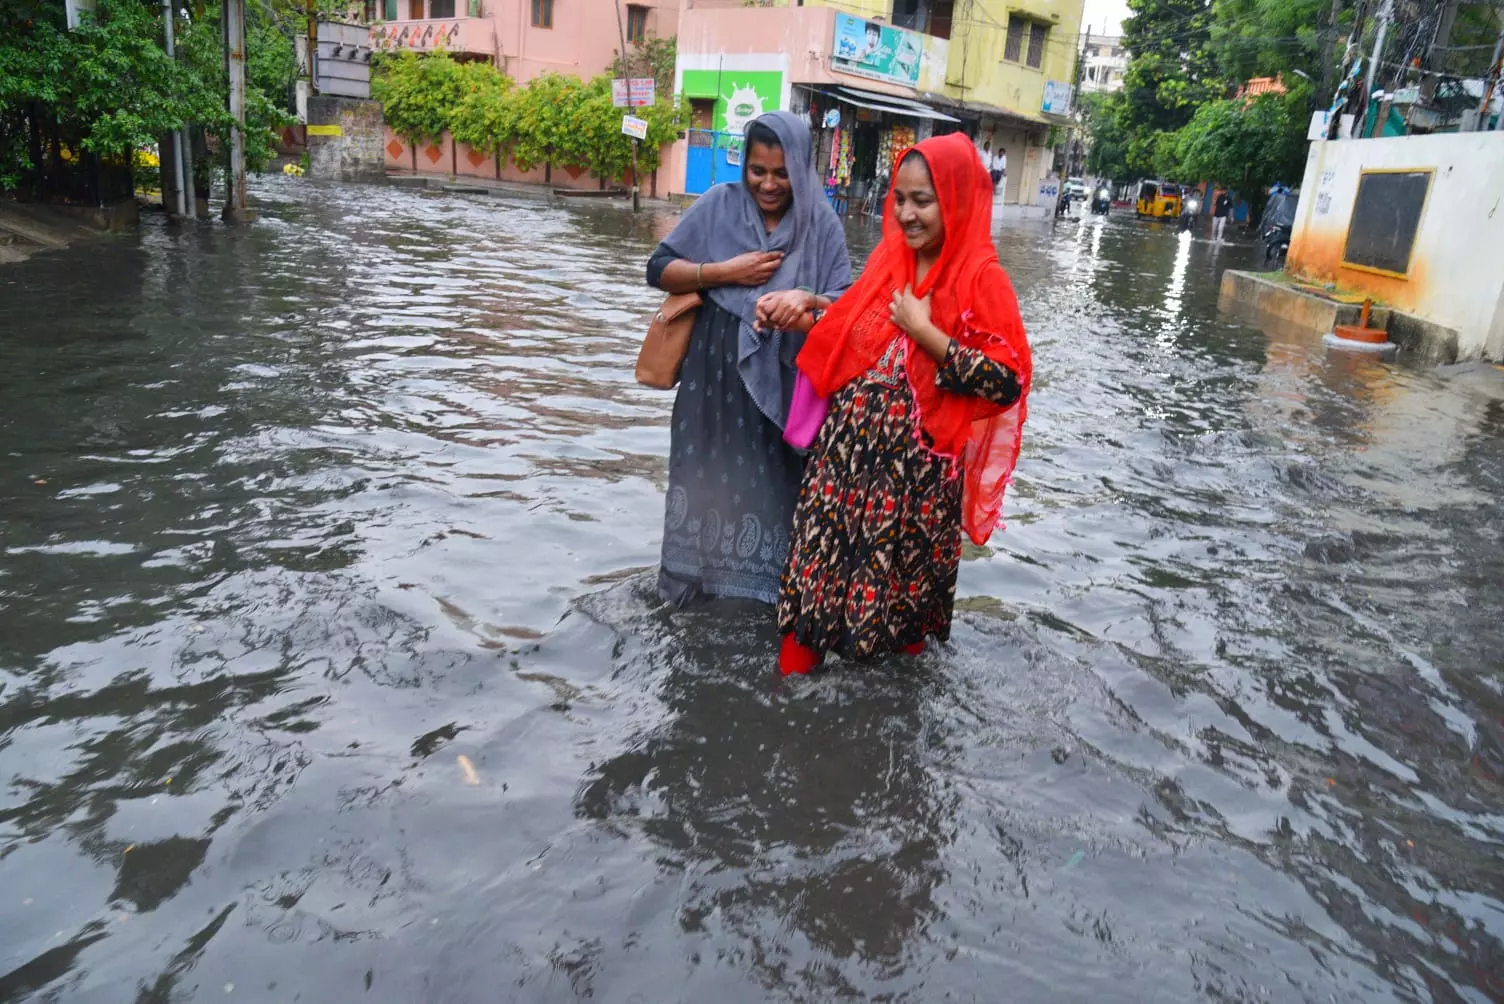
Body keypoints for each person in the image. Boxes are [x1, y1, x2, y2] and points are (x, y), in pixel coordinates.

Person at [776, 133, 1032, 674]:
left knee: (898, 633)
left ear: (956, 199)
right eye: (901, 199)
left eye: (924, 200)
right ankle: (785, 703)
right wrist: (808, 308)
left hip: (912, 488)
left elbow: (1006, 382)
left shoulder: (982, 279)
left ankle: (879, 734)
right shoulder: (889, 261)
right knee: (810, 603)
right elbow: (856, 332)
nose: (908, 214)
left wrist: (928, 333)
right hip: (841, 471)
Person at [645, 112, 853, 607]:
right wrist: (724, 272)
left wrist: (803, 300)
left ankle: (762, 599)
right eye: (758, 170)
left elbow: (847, 309)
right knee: (705, 479)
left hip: (784, 386)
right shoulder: (719, 204)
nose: (768, 184)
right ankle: (692, 590)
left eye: (781, 173)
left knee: (773, 489)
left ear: (801, 169)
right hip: (711, 380)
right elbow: (658, 268)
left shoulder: (820, 224)